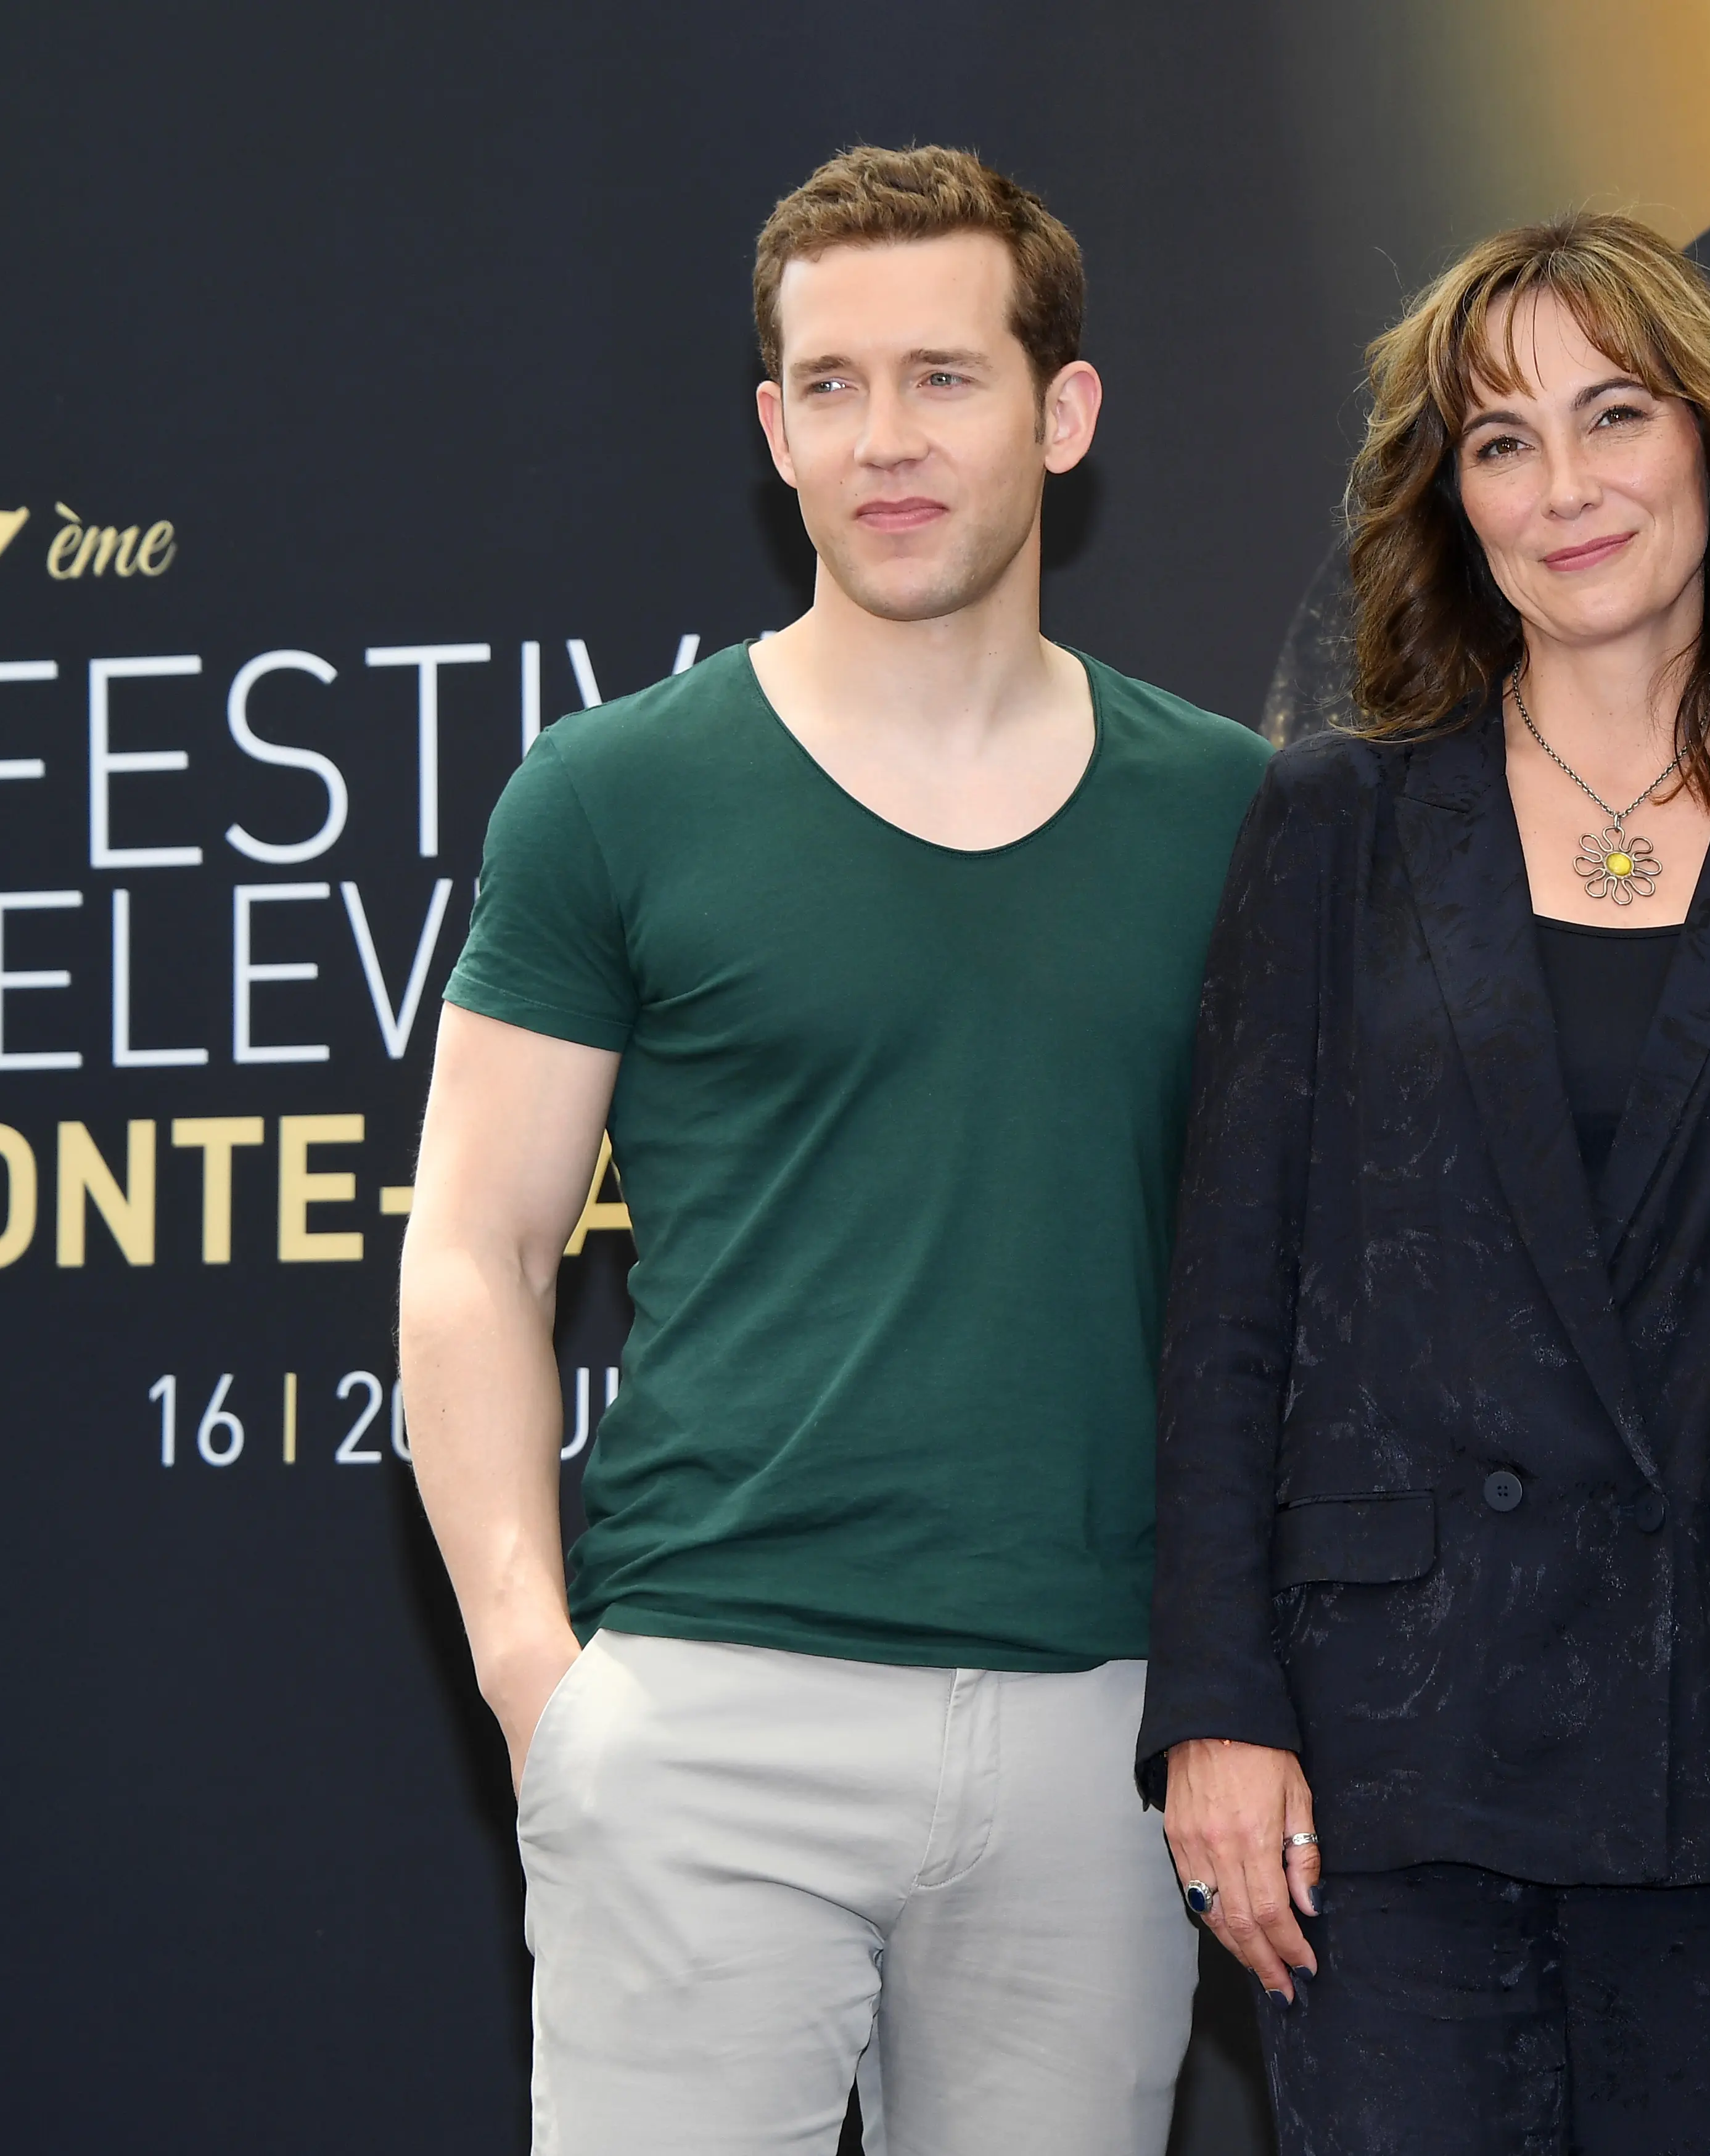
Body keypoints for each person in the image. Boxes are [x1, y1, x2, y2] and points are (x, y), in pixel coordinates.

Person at [397, 144, 1269, 2155]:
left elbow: (1294, 1301)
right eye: (833, 385)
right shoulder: (610, 797)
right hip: (706, 1714)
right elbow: (476, 1248)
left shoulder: (1236, 814)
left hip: (1097, 1731)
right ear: (774, 427)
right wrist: (539, 1683)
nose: (887, 438)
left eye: (945, 377)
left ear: (1063, 413)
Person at [1137, 212, 1710, 2155]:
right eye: (1500, 442)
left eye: (1614, 415)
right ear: (1451, 505)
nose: (1565, 486)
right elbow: (1230, 1303)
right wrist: (1218, 1709)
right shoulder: (1332, 823)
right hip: (1390, 1757)